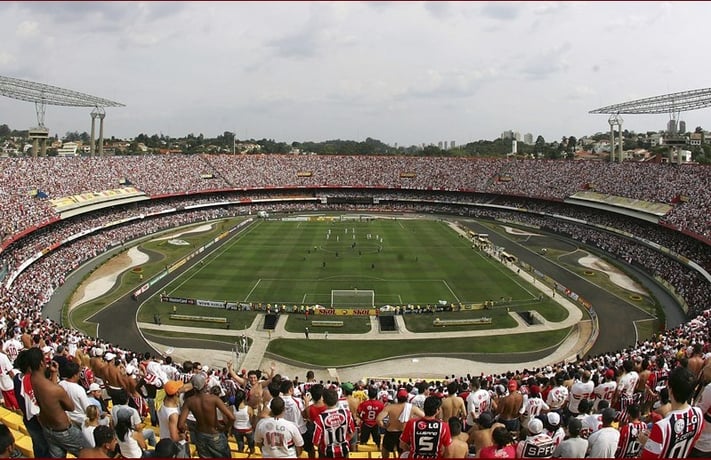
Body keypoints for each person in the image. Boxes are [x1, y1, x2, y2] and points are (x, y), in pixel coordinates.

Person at [28, 346, 87, 457]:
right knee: (89, 452)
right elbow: (70, 407)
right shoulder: (55, 390)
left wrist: (54, 374)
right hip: (63, 430)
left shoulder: (29, 381)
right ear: (41, 363)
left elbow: (49, 396)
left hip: (47, 429)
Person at [641, 366, 704, 458]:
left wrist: (647, 444)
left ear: (670, 390)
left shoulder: (662, 426)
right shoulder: (699, 414)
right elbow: (693, 441)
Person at [178, 372, 235, 458]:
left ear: (193, 386)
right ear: (205, 385)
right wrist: (224, 429)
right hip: (215, 435)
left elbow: (181, 424)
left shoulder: (189, 401)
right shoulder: (213, 399)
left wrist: (189, 430)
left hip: (201, 435)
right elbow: (232, 418)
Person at [376, 387, 424, 458]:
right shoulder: (412, 408)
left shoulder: (390, 407)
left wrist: (384, 426)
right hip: (404, 433)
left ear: (397, 398)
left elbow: (378, 419)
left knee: (385, 451)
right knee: (402, 453)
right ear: (407, 397)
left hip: (391, 432)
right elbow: (424, 416)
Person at [313, 387, 356, 458]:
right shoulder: (347, 414)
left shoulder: (320, 418)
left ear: (323, 401)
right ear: (337, 400)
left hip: (327, 452)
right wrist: (345, 440)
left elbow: (316, 441)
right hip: (344, 450)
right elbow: (352, 432)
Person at [157, 380, 190, 458]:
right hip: (174, 445)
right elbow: (174, 438)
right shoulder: (173, 414)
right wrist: (184, 437)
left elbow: (183, 388)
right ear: (176, 393)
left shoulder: (160, 397)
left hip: (164, 437)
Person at [232, 388, 256, 455]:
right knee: (251, 446)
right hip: (248, 429)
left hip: (237, 429)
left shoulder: (232, 407)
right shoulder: (248, 408)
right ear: (244, 398)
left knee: (240, 446)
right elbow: (251, 420)